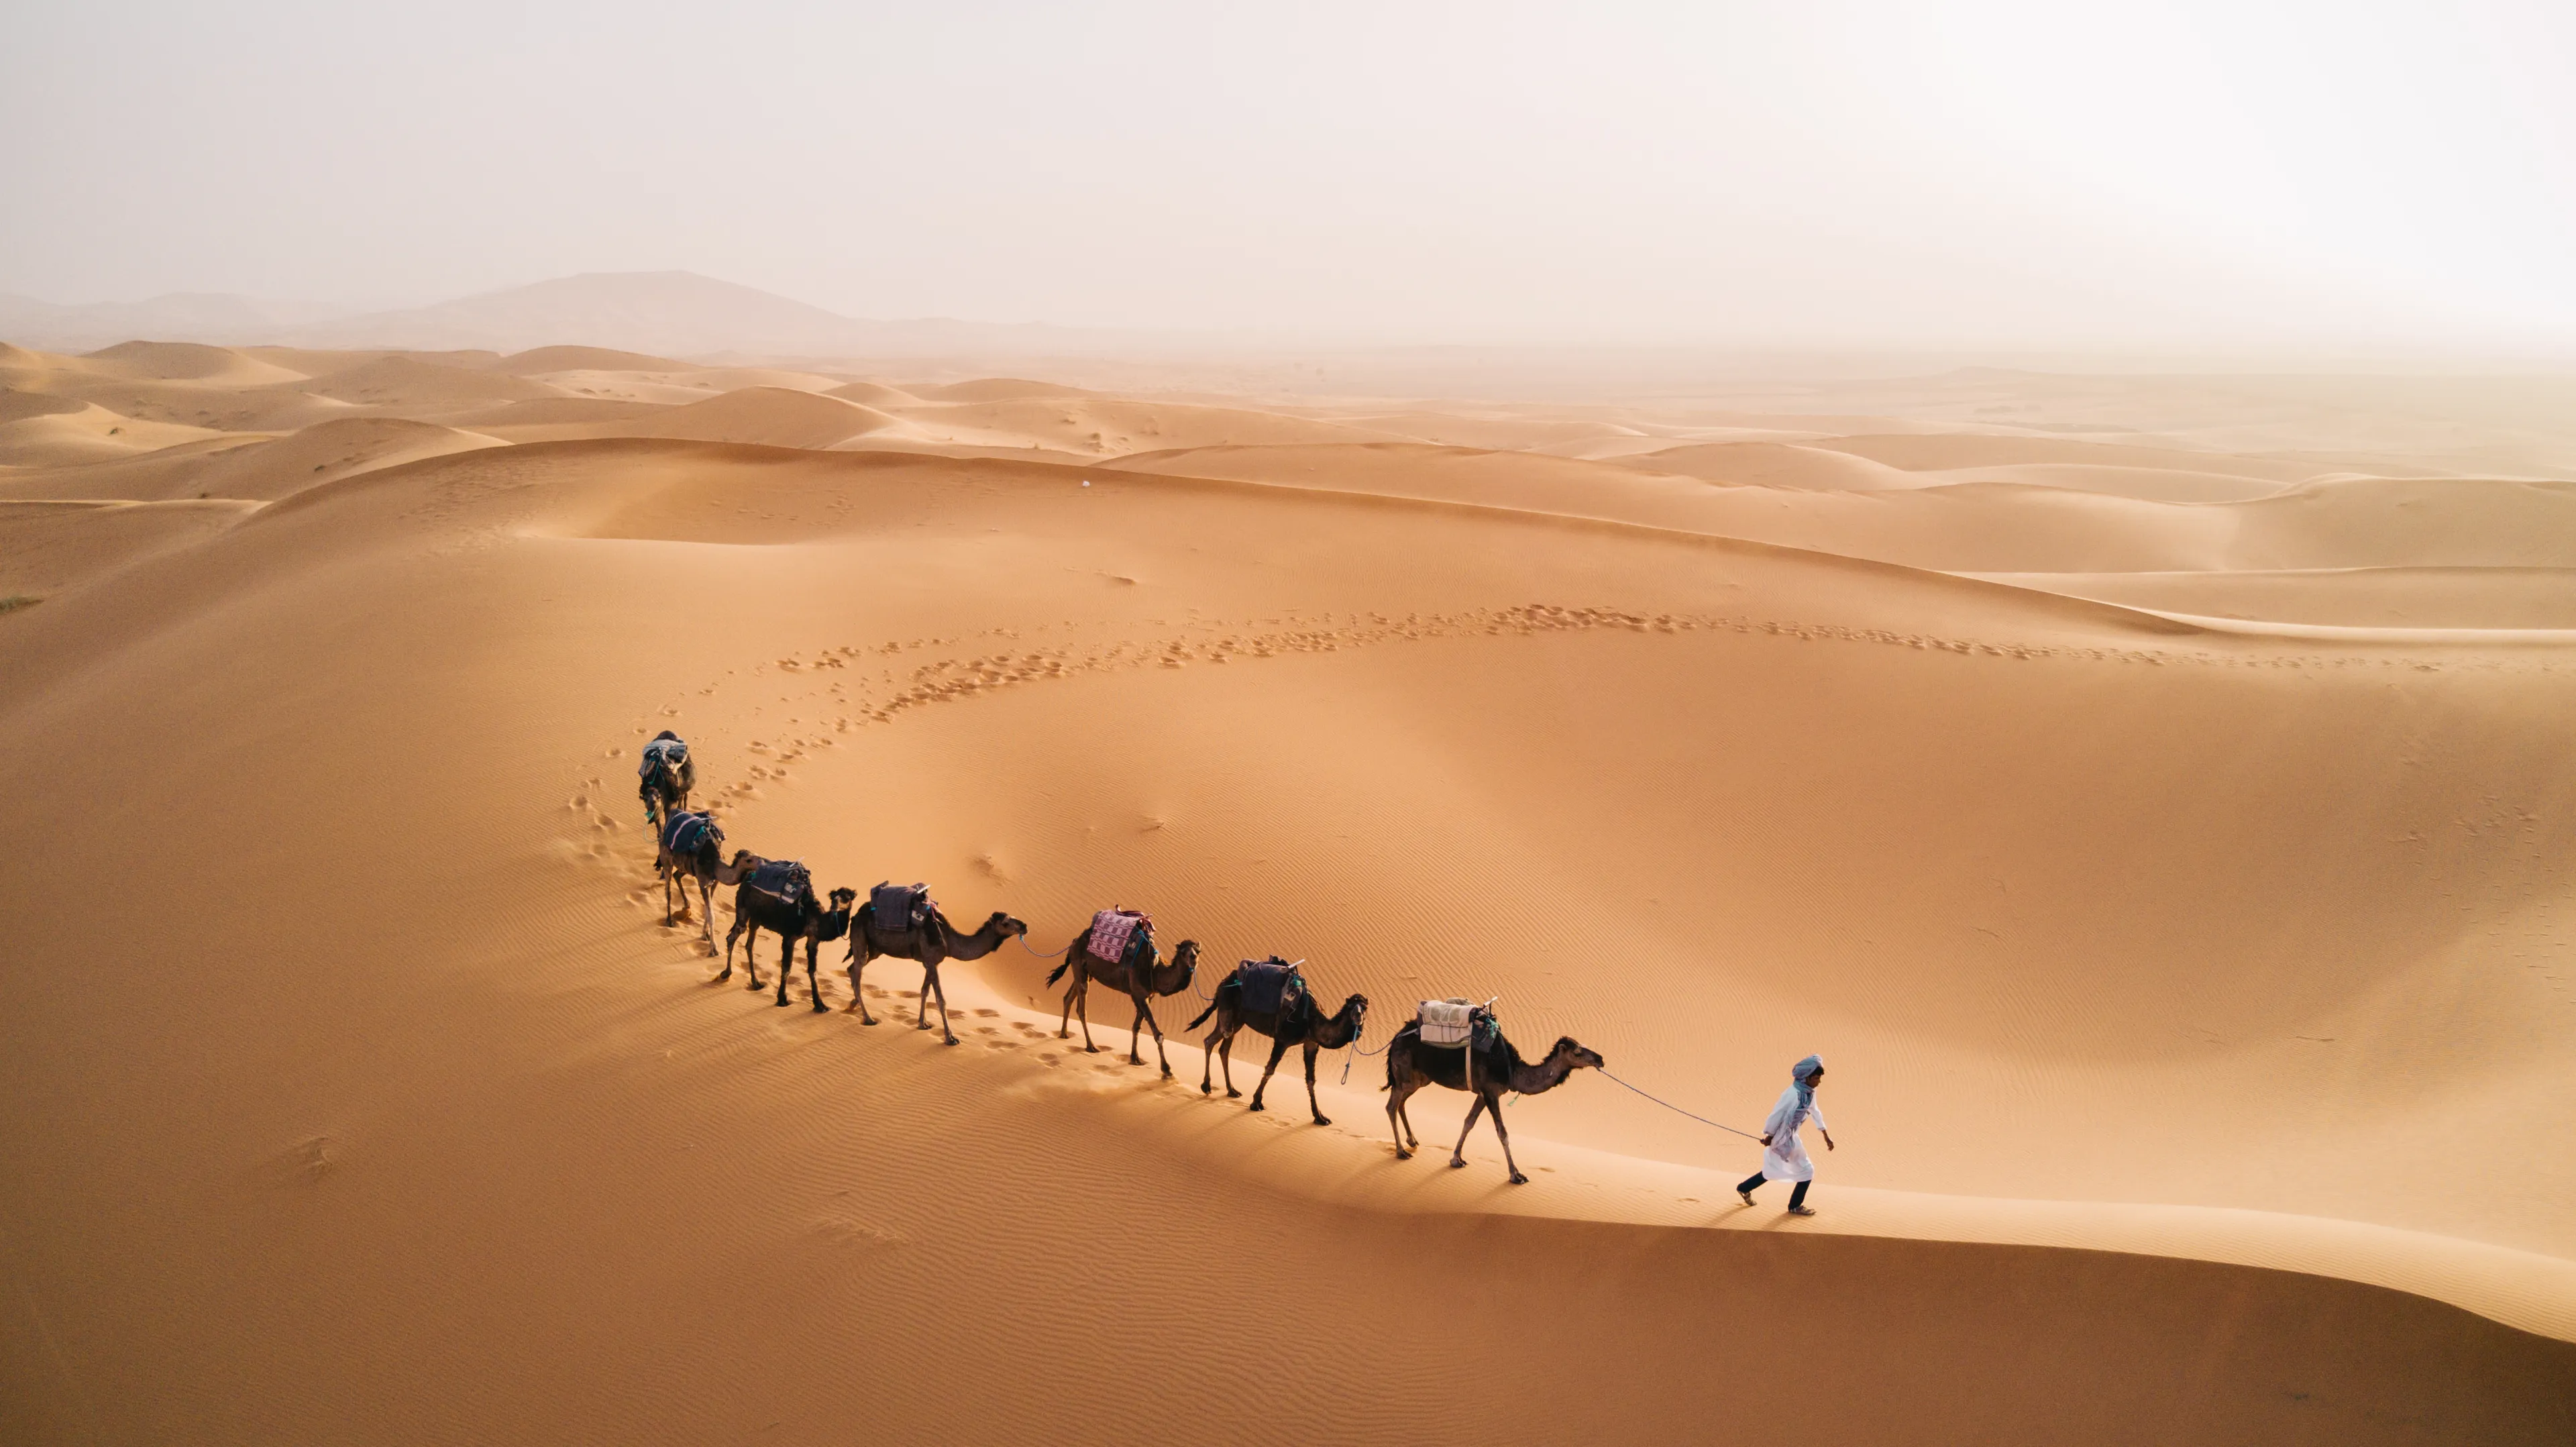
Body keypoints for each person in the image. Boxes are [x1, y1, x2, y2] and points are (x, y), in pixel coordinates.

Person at [1737, 1054, 1833, 1216]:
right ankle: (1794, 1206)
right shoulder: (1792, 1094)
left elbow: (1814, 1111)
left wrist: (1825, 1134)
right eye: (1816, 1078)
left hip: (1791, 1136)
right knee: (1805, 1171)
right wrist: (1770, 1135)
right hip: (1781, 1137)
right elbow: (1777, 1114)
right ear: (1806, 1078)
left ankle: (1744, 1188)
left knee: (1775, 1169)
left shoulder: (1810, 1091)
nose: (1819, 1082)